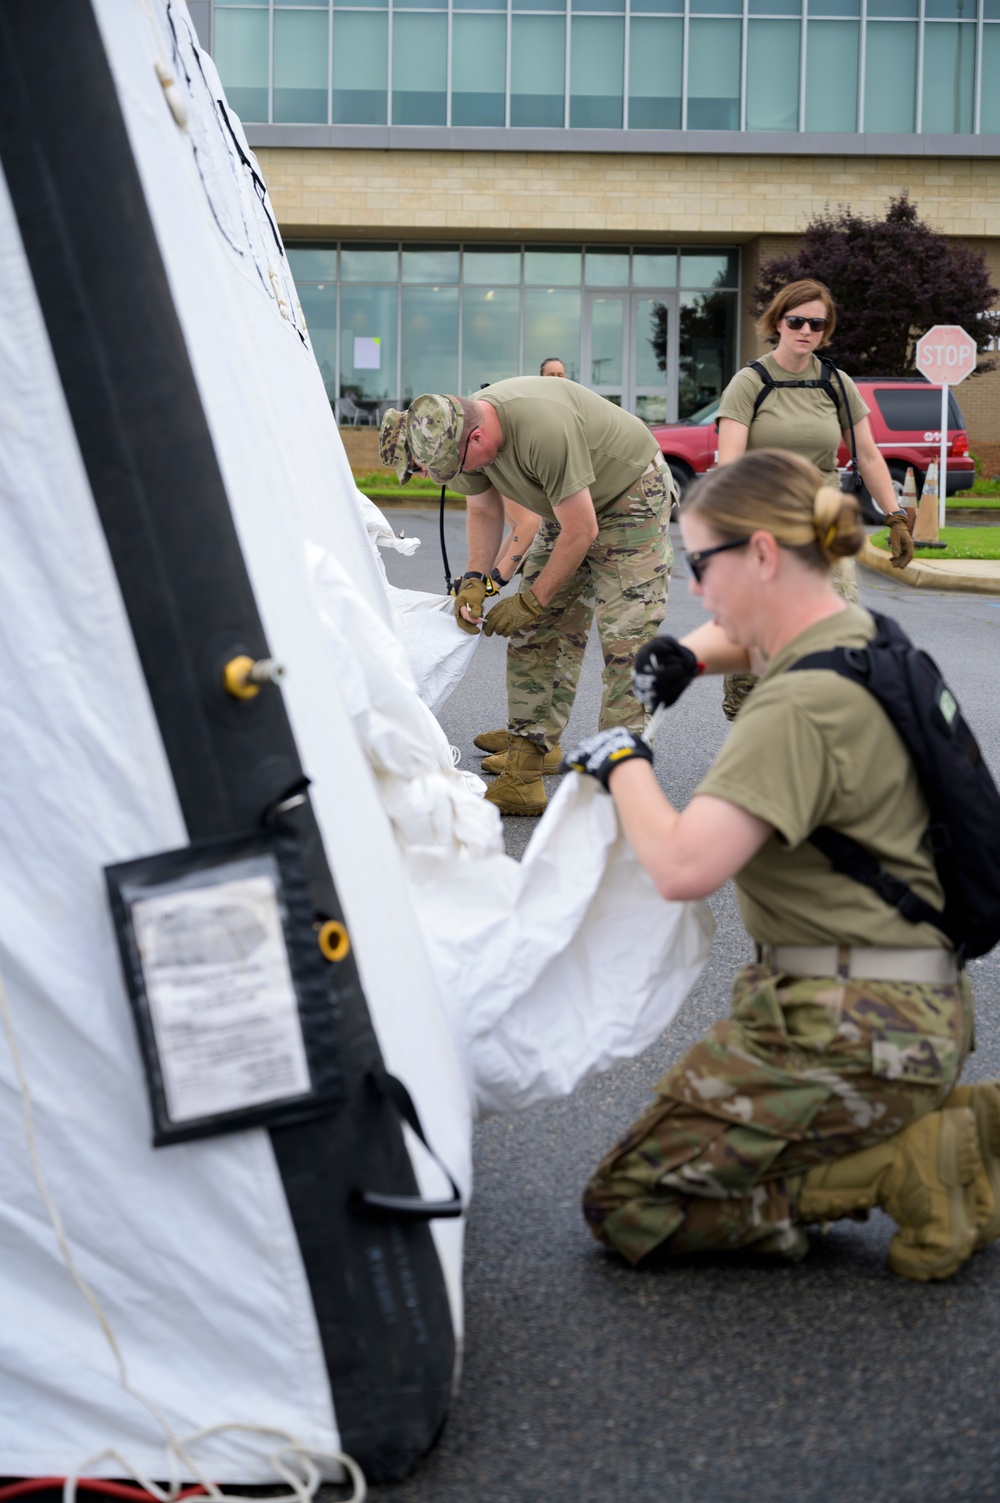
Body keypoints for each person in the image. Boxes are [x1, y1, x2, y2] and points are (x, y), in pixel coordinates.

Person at [564, 448, 999, 1282]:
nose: (696, 589)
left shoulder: (797, 710)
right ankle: (949, 1125)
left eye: (702, 562)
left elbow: (684, 864)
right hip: (915, 1007)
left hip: (850, 1032)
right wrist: (691, 657)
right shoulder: (867, 638)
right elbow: (757, 640)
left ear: (762, 553)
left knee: (628, 1203)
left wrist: (623, 762)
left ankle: (909, 1160)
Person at [379, 380, 677, 815]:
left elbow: (583, 531)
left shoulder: (542, 428)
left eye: (450, 469)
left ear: (477, 437)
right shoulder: (456, 435)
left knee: (625, 643)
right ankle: (528, 765)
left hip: (629, 497)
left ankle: (616, 785)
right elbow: (483, 509)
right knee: (537, 634)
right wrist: (475, 579)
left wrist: (531, 599)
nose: (448, 478)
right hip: (568, 506)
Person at [716, 278, 914, 720]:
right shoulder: (750, 382)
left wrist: (895, 515)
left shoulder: (836, 383)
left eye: (817, 324)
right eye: (797, 320)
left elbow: (868, 454)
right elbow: (729, 465)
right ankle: (751, 723)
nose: (806, 330)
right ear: (778, 321)